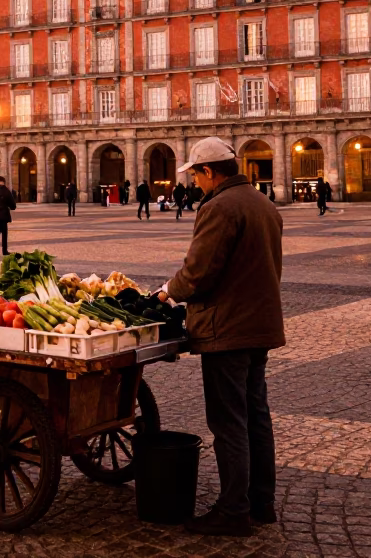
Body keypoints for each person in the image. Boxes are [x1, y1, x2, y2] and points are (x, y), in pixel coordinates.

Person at [164, 137, 284, 537]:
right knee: (256, 417)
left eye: (195, 175)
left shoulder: (219, 207)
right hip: (259, 324)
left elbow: (199, 272)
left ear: (209, 172)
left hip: (227, 329)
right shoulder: (264, 204)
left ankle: (234, 510)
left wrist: (167, 291)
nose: (195, 183)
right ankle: (261, 502)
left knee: (229, 421)